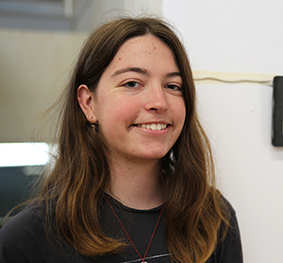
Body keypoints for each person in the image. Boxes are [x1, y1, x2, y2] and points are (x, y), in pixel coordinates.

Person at [0, 17, 243, 263]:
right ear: (88, 103)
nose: (159, 102)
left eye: (173, 86)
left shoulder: (213, 217)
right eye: (132, 83)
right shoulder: (28, 238)